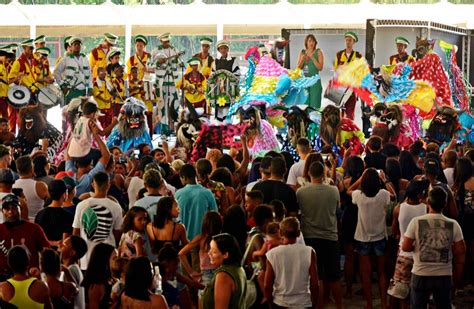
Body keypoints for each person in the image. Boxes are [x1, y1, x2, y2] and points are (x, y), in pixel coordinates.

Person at [402, 187, 466, 308]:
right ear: (445, 204)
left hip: (421, 273)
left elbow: (405, 247)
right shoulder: (453, 224)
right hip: (444, 274)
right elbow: (460, 251)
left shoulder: (416, 222)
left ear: (428, 201)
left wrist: (418, 245)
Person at [347, 168, 396, 309]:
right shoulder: (383, 194)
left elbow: (348, 190)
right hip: (380, 236)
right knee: (381, 272)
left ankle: (369, 304)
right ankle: (383, 303)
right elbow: (394, 195)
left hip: (362, 237)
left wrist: (360, 179)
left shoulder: (359, 195)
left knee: (365, 273)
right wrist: (384, 180)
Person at [297, 162, 342, 309]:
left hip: (310, 237)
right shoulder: (333, 191)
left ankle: (319, 305)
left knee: (317, 277)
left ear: (309, 174)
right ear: (324, 174)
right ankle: (339, 305)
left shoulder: (301, 192)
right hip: (330, 236)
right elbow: (337, 211)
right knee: (334, 276)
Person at [389, 179, 429, 308]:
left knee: (401, 291)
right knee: (419, 291)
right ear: (420, 195)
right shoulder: (426, 208)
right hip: (421, 254)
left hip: (403, 253)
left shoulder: (398, 209)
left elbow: (394, 231)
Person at [264, 217, 319, 308]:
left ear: (281, 233)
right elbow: (315, 284)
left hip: (280, 303)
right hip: (303, 303)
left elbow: (267, 285)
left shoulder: (272, 254)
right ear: (298, 233)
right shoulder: (309, 252)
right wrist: (315, 304)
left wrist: (270, 304)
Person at [72, 172, 123, 270]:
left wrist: (77, 255)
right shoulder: (116, 207)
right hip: (108, 256)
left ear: (93, 185)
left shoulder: (82, 205)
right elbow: (117, 234)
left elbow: (76, 233)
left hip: (86, 257)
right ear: (108, 185)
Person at [65, 116, 111, 197]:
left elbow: (68, 154)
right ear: (90, 164)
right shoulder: (88, 179)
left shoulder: (69, 173)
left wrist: (76, 134)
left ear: (77, 163)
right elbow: (106, 155)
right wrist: (95, 135)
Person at [179, 211, 222, 293]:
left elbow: (181, 254)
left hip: (205, 275)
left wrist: (191, 272)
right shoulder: (221, 239)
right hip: (220, 273)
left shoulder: (201, 239)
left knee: (203, 303)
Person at [201, 233, 247, 309]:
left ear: (225, 254)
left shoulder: (223, 276)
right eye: (210, 249)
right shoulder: (238, 268)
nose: (209, 253)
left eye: (214, 251)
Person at [175, 164, 218, 241]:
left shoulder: (178, 194)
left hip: (184, 240)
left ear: (184, 177)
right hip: (202, 240)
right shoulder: (207, 193)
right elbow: (215, 216)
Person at [452, 157, 474, 287]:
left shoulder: (456, 186)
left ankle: (461, 278)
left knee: (461, 251)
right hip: (471, 220)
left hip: (460, 222)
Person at [153, 32, 181, 134]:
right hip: (161, 82)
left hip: (172, 81)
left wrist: (177, 59)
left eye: (168, 41)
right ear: (161, 41)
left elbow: (179, 64)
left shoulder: (174, 49)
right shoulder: (156, 50)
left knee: (174, 104)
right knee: (162, 107)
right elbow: (150, 65)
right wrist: (158, 62)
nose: (167, 43)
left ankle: (173, 127)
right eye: (164, 42)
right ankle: (164, 131)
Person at [333, 32, 362, 120]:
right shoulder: (339, 55)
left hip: (352, 89)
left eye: (350, 40)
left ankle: (349, 130)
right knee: (340, 113)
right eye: (346, 40)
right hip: (340, 88)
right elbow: (335, 71)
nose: (348, 42)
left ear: (353, 42)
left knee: (350, 114)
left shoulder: (358, 56)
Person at [54, 37, 93, 104]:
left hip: (83, 90)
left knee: (81, 112)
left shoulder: (85, 58)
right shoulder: (66, 59)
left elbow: (89, 74)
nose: (77, 46)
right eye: (75, 44)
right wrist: (62, 85)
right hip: (71, 90)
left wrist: (90, 88)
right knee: (70, 112)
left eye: (79, 44)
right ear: (71, 47)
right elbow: (56, 72)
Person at [35, 179, 74, 246]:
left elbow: (37, 238)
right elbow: (65, 242)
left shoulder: (40, 214)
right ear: (64, 194)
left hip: (44, 252)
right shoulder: (67, 216)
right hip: (60, 253)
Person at [12, 155, 49, 221]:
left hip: (19, 223)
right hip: (38, 223)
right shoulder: (40, 186)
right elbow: (51, 203)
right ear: (32, 168)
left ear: (18, 170)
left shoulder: (12, 185)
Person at [81, 243, 116, 309]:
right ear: (104, 261)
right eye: (114, 259)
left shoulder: (108, 280)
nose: (117, 262)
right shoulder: (96, 286)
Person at [59, 235, 88, 309]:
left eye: (64, 245)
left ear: (72, 253)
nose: (60, 245)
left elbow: (69, 297)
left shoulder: (71, 270)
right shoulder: (72, 268)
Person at [297, 34, 323, 110]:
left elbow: (320, 68)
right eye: (309, 41)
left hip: (315, 82)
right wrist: (302, 60)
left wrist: (312, 58)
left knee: (314, 105)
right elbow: (298, 68)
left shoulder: (318, 52)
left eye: (313, 41)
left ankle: (314, 121)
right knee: (304, 105)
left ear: (315, 43)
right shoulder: (302, 52)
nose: (311, 43)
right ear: (306, 43)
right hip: (305, 82)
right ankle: (306, 121)